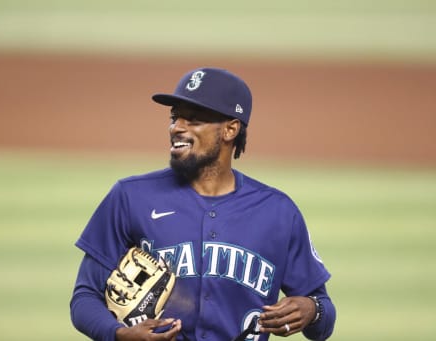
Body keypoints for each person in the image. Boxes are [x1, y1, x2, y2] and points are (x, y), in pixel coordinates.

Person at [70, 67, 336, 341]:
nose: (177, 127)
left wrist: (311, 310)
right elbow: (85, 297)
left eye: (194, 120)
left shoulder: (278, 212)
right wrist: (119, 334)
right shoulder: (130, 197)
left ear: (230, 129)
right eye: (175, 117)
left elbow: (323, 316)